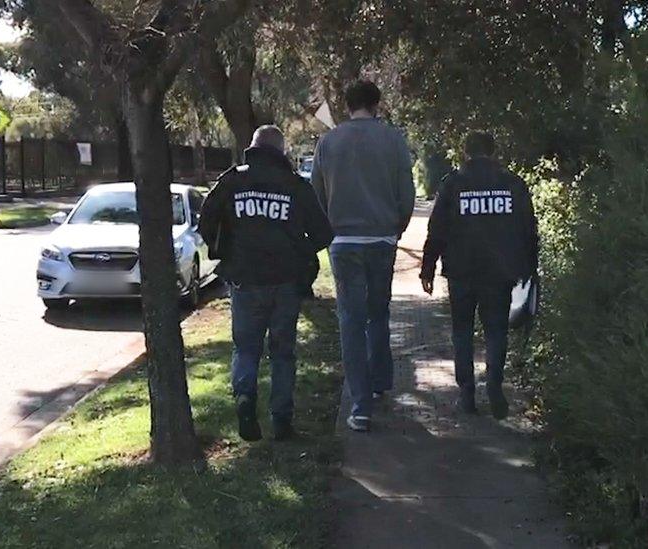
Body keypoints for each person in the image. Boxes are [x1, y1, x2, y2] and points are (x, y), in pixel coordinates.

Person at [198, 125, 333, 441]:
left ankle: (245, 397)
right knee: (283, 352)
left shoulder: (233, 180)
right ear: (282, 150)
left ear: (253, 147)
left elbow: (206, 221)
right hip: (286, 280)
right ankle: (282, 419)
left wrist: (224, 250)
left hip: (244, 279)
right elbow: (324, 234)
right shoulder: (295, 185)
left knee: (246, 348)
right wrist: (298, 249)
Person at [311, 80, 416, 432]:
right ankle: (382, 380)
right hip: (382, 238)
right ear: (377, 104)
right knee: (378, 313)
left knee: (350, 321)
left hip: (343, 240)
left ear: (346, 105)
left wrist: (330, 229)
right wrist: (397, 227)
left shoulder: (328, 141)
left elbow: (317, 194)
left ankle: (360, 406)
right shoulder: (393, 139)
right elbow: (406, 191)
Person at [419, 132, 539, 420]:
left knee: (462, 332)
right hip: (499, 272)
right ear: (493, 151)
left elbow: (437, 230)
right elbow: (528, 229)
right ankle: (495, 386)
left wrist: (428, 267)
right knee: (496, 330)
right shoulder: (513, 185)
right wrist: (529, 268)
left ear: (465, 152)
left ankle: (467, 393)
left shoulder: (454, 184)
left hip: (462, 271)